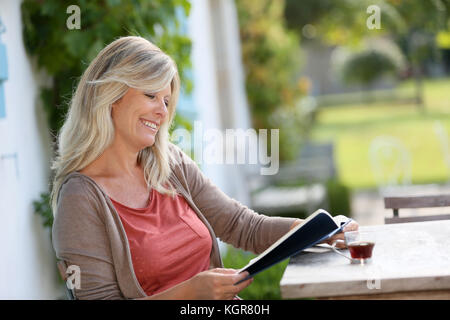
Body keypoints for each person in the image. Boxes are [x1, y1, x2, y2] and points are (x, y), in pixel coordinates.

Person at [51, 36, 358, 300]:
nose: (162, 111)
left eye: (167, 100)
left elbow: (242, 226)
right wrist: (188, 294)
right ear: (112, 97)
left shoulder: (169, 164)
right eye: (150, 95)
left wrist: (317, 233)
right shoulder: (81, 199)